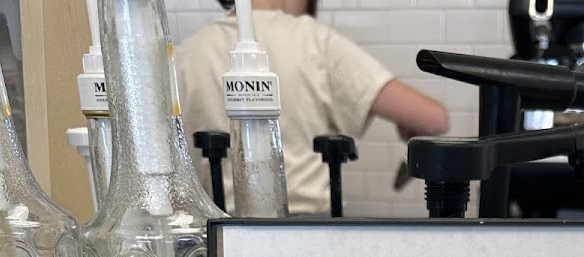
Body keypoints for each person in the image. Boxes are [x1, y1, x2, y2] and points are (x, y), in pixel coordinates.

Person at [175, 0, 448, 214]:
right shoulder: (313, 40)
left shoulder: (187, 55)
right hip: (310, 232)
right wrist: (405, 124)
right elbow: (433, 119)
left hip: (221, 234)